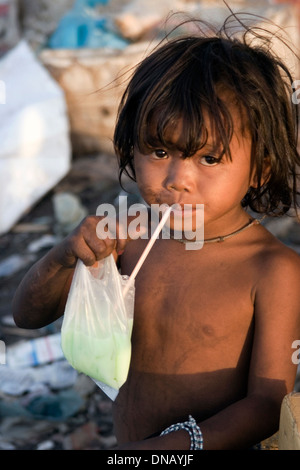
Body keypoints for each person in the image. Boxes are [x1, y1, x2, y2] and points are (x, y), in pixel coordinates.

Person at [12, 15, 300, 450]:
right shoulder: (127, 236)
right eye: (160, 150)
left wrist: (177, 447)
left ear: (259, 167)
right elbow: (28, 316)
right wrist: (65, 255)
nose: (177, 179)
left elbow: (267, 404)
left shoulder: (273, 271)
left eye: (209, 158)